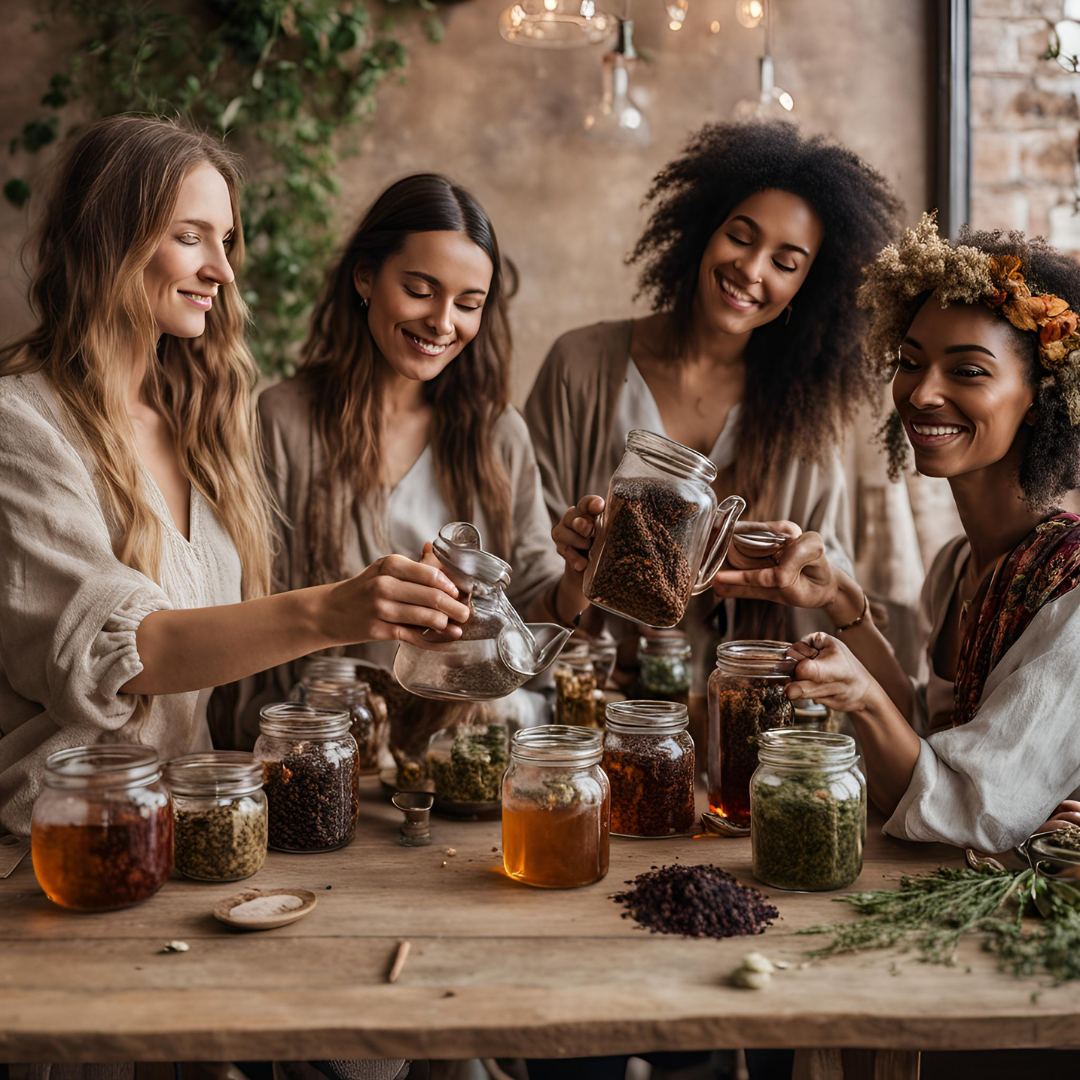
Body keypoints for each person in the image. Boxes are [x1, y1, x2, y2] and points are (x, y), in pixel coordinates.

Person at [0, 117, 469, 838]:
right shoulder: (22, 421)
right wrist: (333, 612)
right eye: (190, 236)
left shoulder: (203, 424)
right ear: (108, 239)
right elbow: (123, 652)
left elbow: (221, 643)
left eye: (225, 241)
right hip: (55, 848)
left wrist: (402, 599)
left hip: (189, 833)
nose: (221, 269)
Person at [711, 214, 1080, 852]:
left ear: (1042, 397)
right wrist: (840, 600)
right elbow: (921, 739)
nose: (922, 393)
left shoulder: (1070, 594)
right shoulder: (956, 565)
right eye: (910, 362)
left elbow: (972, 810)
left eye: (968, 370)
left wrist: (863, 701)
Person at [525, 120, 920, 699]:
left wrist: (794, 564)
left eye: (785, 263)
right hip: (583, 702)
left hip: (738, 713)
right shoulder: (578, 366)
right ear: (702, 230)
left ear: (807, 289)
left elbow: (829, 574)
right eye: (741, 236)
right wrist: (575, 568)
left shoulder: (805, 418)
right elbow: (524, 558)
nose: (752, 269)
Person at [241, 173, 580, 744]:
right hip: (327, 743)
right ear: (366, 277)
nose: (443, 323)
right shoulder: (283, 422)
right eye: (421, 291)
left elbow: (527, 607)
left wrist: (580, 574)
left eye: (468, 304)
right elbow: (250, 602)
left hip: (467, 745)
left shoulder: (498, 434)